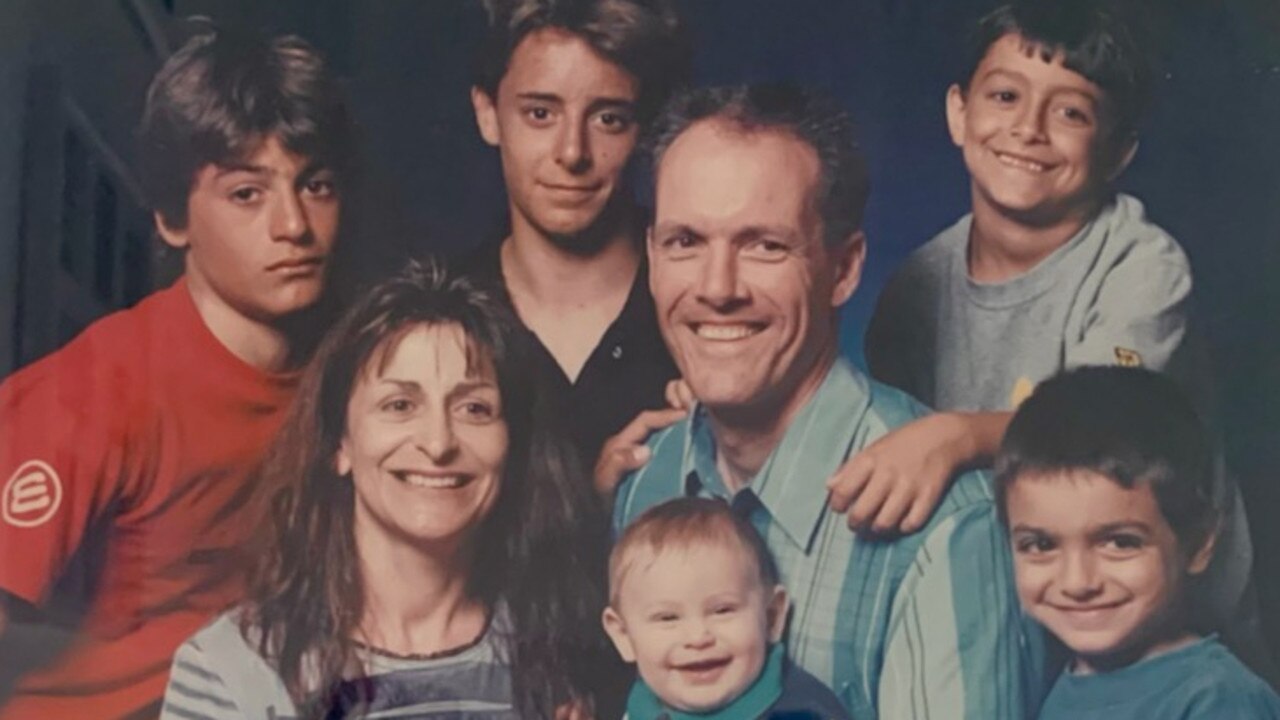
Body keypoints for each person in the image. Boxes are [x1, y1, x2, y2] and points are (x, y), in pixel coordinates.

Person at [613, 83, 1041, 719]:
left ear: (842, 270)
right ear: (652, 258)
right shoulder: (647, 485)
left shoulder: (948, 529)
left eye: (764, 244)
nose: (717, 287)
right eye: (685, 242)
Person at [0, 27, 352, 718]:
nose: (293, 225)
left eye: (315, 185)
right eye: (247, 194)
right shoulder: (96, 389)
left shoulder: (352, 376)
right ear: (170, 219)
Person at [160, 259, 617, 719]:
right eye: (399, 405)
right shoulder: (231, 668)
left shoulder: (573, 654)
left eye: (475, 408)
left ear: (513, 444)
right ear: (339, 443)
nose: (438, 443)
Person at [465, 0, 690, 467]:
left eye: (608, 118)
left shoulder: (704, 296)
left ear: (646, 129)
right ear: (488, 114)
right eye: (540, 114)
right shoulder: (439, 315)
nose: (572, 152)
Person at [995, 366, 1280, 718]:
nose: (1077, 582)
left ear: (1200, 542)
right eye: (1040, 545)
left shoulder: (1216, 698)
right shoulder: (1064, 682)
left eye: (1119, 543)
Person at [603, 497, 850, 720]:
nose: (698, 637)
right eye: (668, 617)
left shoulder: (804, 712)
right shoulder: (644, 703)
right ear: (624, 635)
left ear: (772, 617)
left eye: (722, 610)